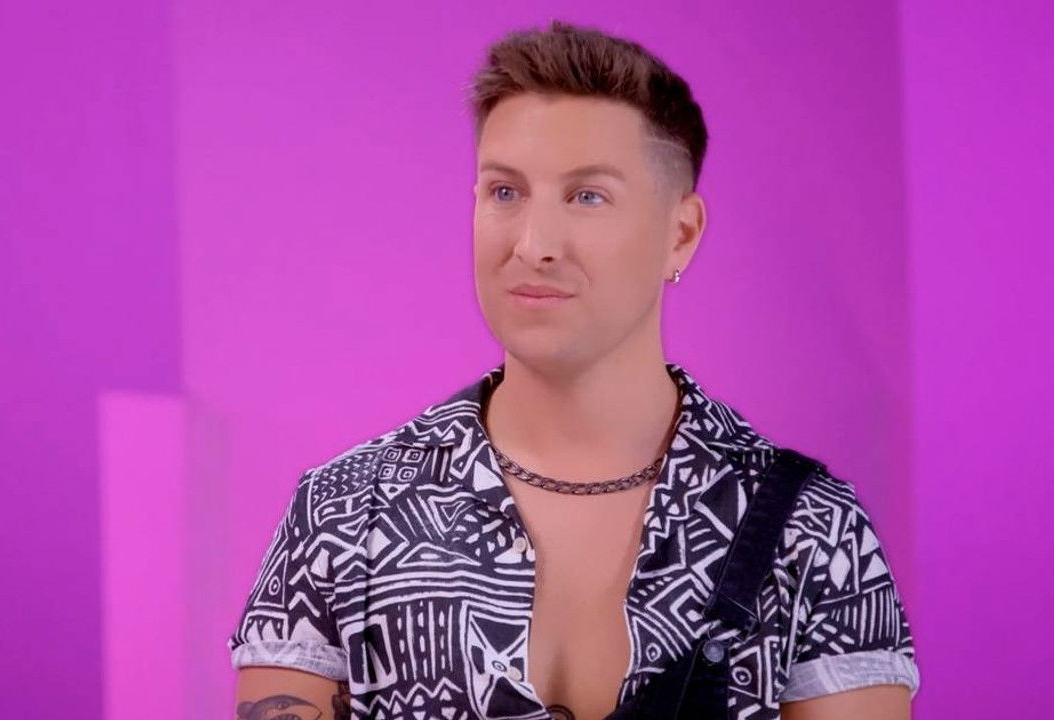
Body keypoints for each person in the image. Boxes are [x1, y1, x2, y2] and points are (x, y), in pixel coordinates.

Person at [227, 18, 919, 720]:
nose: (534, 244)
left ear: (680, 234)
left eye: (588, 196)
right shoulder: (345, 511)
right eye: (505, 192)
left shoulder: (812, 528)